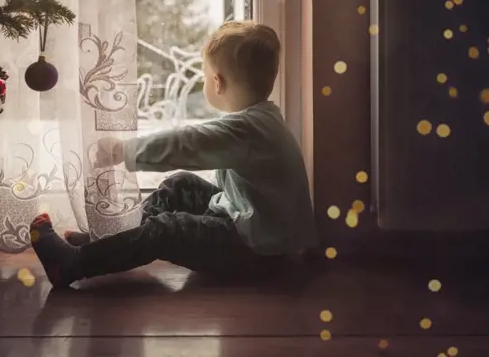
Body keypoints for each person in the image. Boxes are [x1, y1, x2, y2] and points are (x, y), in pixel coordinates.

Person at [29, 21, 318, 288]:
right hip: (258, 233)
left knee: (167, 230)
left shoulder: (247, 129)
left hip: (256, 253)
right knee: (180, 184)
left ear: (217, 82)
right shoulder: (263, 120)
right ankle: (107, 242)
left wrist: (122, 151)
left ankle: (72, 264)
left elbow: (186, 144)